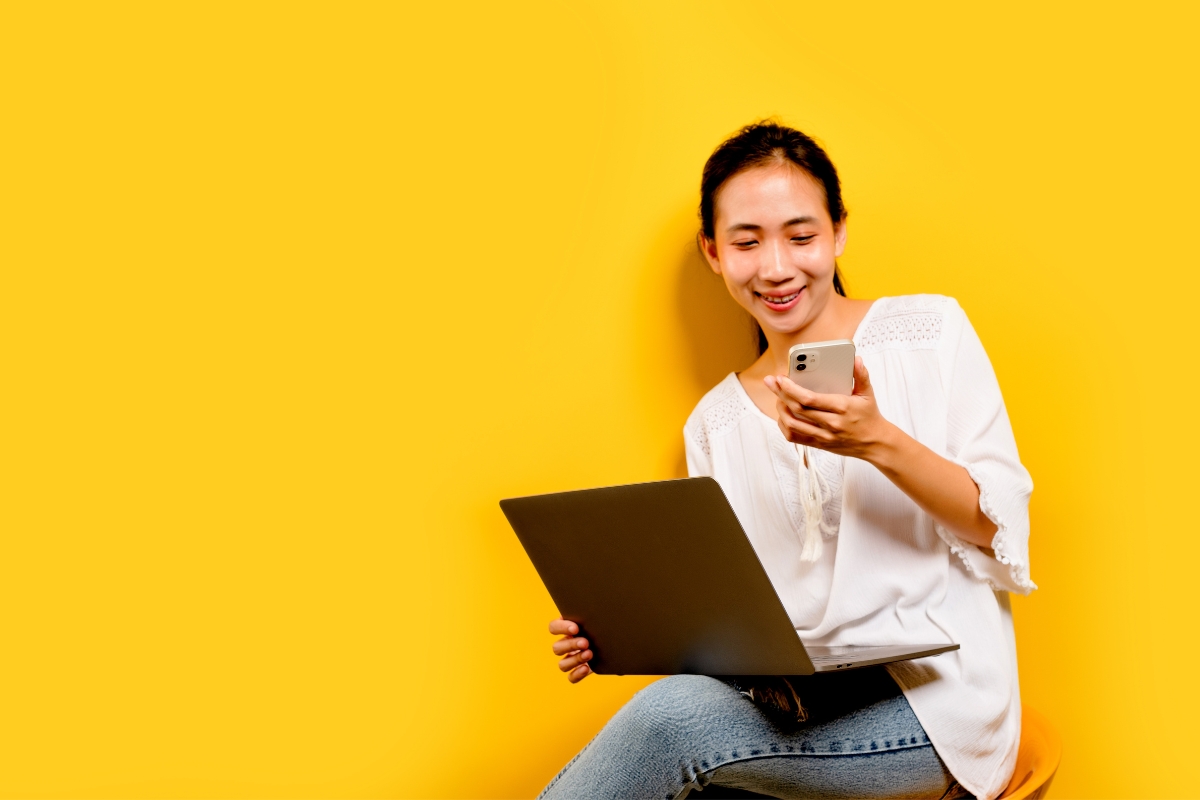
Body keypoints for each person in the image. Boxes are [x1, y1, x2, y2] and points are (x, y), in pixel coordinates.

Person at [540, 122, 1035, 800]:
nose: (776, 268)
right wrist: (620, 635)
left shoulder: (929, 333)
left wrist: (877, 441)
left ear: (838, 233)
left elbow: (996, 525)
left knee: (669, 727)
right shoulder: (714, 423)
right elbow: (731, 621)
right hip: (798, 705)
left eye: (801, 237)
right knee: (681, 720)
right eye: (747, 242)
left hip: (935, 709)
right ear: (713, 253)